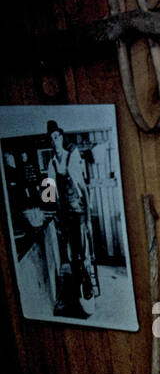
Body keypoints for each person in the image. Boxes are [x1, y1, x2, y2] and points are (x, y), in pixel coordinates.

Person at [45, 120, 92, 318]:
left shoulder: (71, 156)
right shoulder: (51, 163)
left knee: (81, 252)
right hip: (64, 214)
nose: (55, 141)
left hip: (77, 210)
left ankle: (86, 286)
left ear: (61, 137)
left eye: (57, 137)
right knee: (69, 255)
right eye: (51, 139)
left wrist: (88, 212)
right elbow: (49, 192)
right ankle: (74, 295)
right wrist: (49, 211)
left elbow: (81, 185)